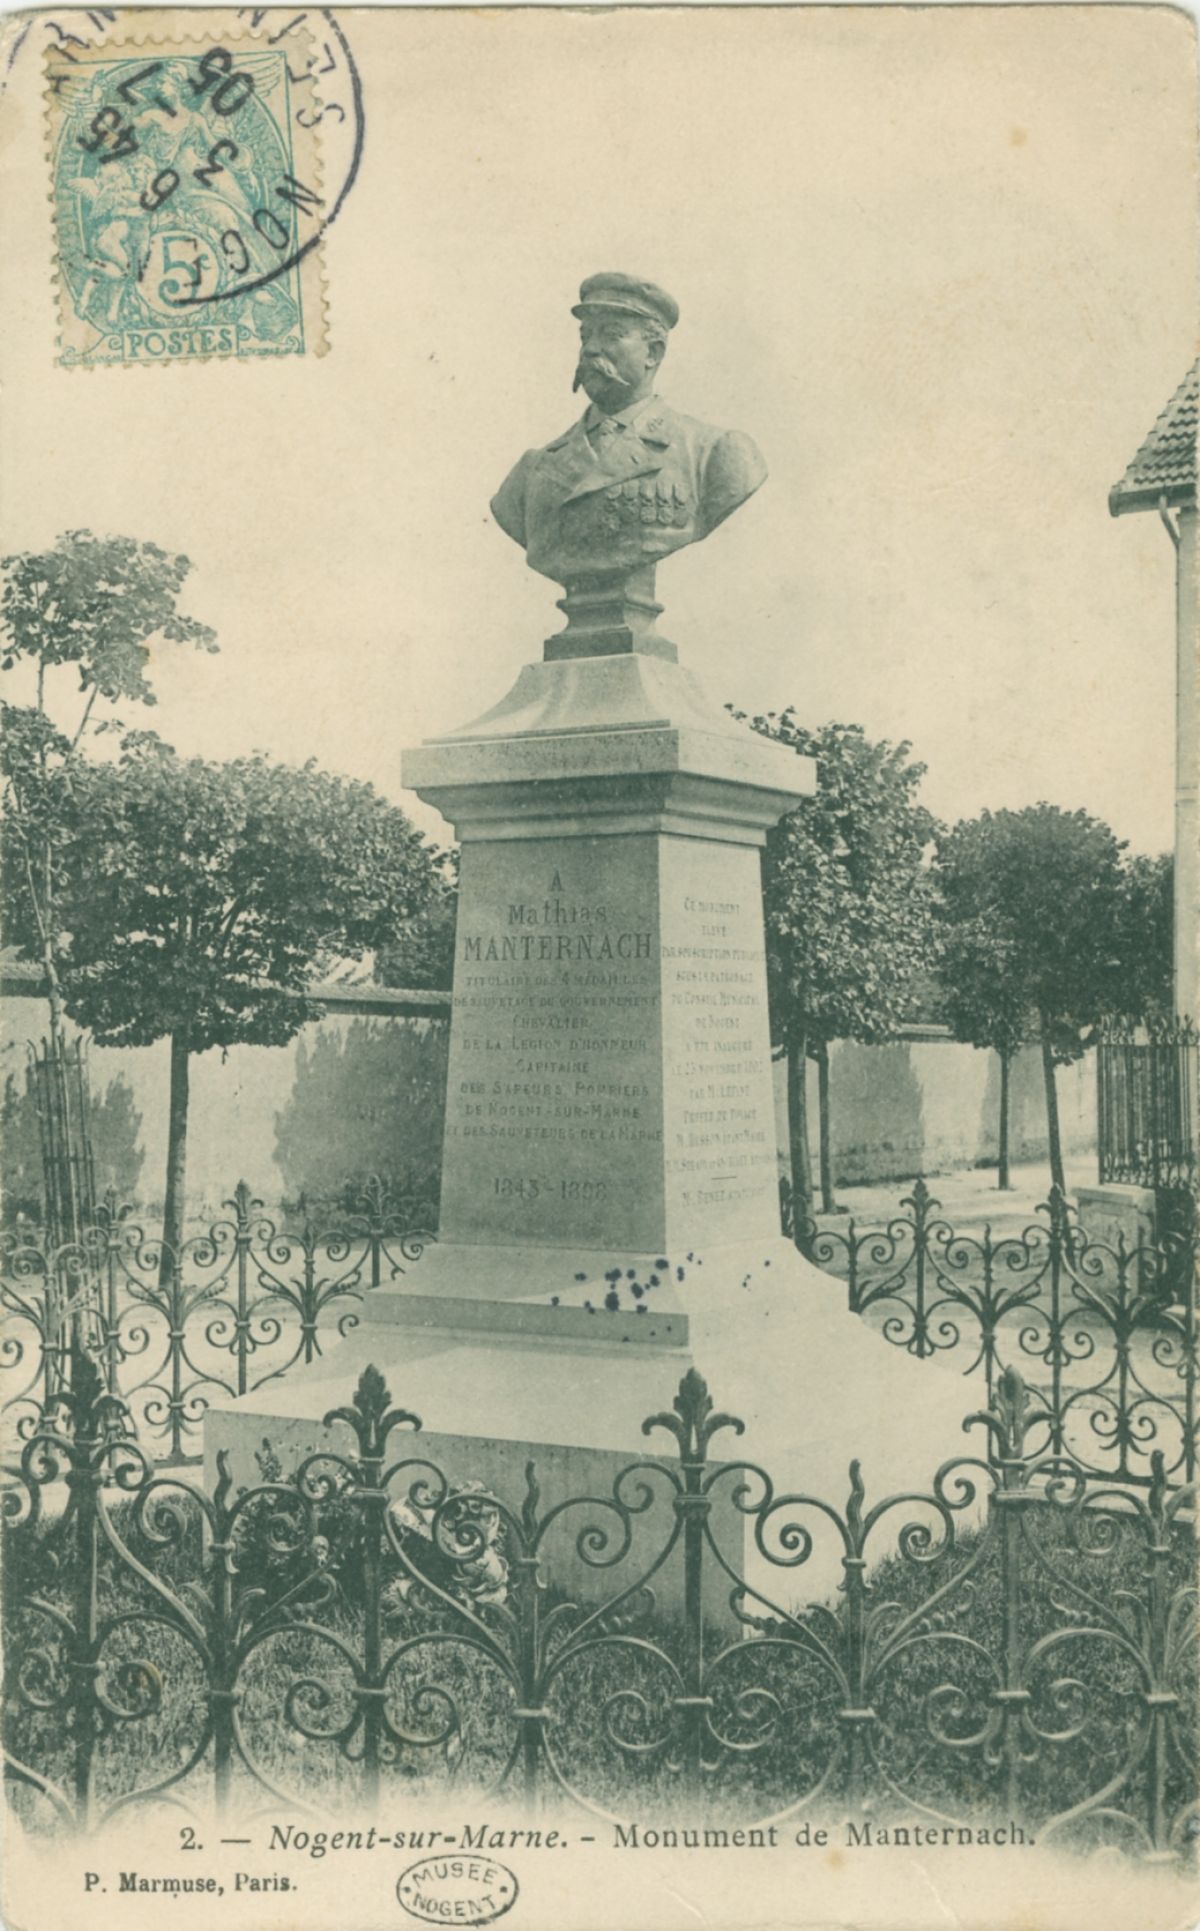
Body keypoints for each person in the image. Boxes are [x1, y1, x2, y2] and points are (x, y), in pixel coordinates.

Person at [490, 273, 766, 587]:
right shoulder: (532, 471)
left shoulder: (715, 454)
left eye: (611, 335)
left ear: (653, 353)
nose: (590, 349)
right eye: (585, 336)